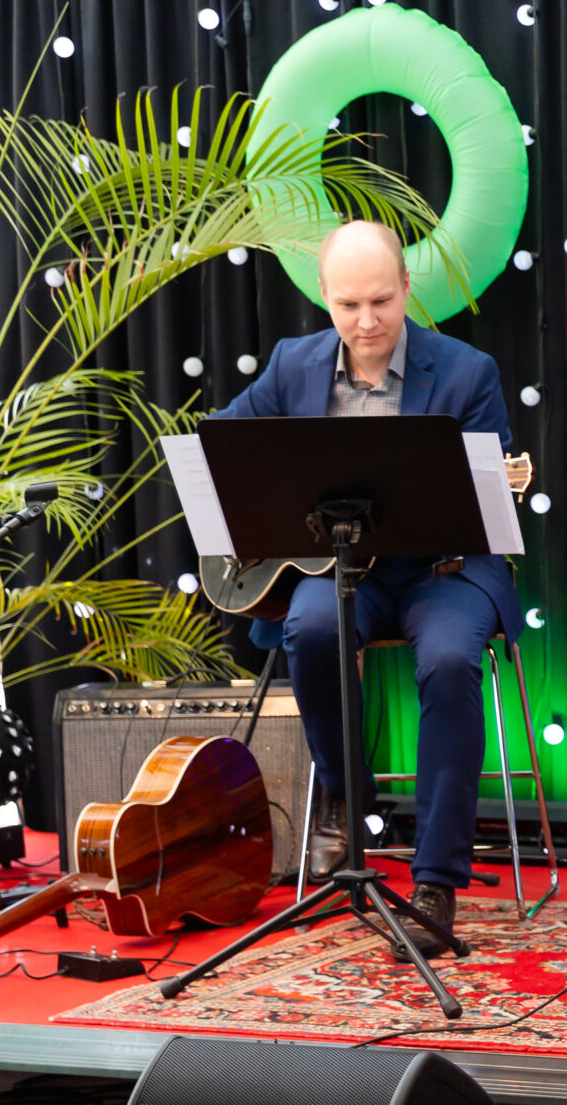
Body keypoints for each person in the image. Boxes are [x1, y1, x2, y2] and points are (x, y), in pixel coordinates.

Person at [216, 220, 526, 960]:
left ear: (407, 289)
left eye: (381, 301)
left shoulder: (468, 371)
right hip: (340, 569)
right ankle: (345, 800)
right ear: (324, 297)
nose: (366, 321)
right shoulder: (292, 364)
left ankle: (436, 880)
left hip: (444, 570)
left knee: (448, 661)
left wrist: (495, 481)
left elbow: (489, 498)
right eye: (348, 304)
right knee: (310, 630)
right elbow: (223, 444)